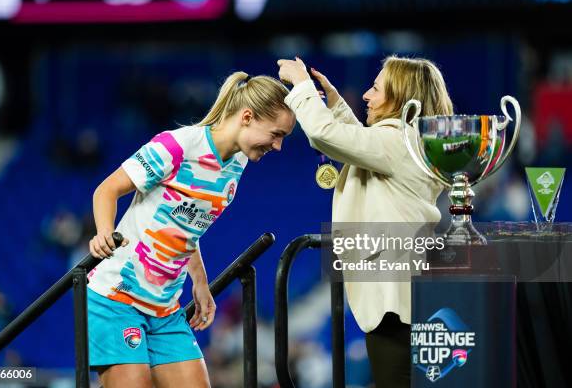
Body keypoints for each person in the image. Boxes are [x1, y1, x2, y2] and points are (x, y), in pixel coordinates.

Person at [86, 72, 295, 388]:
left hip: (165, 309)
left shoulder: (238, 163)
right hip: (116, 298)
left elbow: (188, 227)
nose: (278, 146)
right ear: (248, 117)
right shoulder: (178, 146)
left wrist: (200, 282)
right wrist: (104, 232)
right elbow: (107, 189)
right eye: (276, 134)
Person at [278, 55, 453, 387]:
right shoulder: (408, 142)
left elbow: (323, 135)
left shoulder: (399, 142)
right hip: (406, 296)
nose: (366, 96)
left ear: (400, 98)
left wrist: (302, 84)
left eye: (375, 88)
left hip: (395, 303)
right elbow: (364, 149)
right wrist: (336, 104)